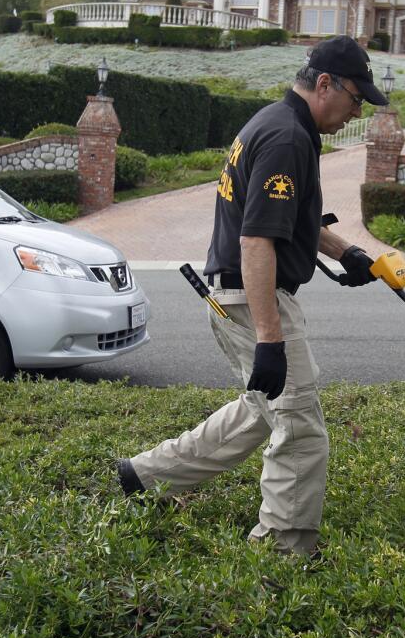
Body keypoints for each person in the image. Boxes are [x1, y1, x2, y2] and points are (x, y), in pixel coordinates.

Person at [117, 35, 389, 557]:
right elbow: (257, 239)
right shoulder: (288, 138)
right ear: (326, 84)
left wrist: (344, 251)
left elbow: (282, 221)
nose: (357, 111)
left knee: (261, 408)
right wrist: (270, 339)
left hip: (236, 293)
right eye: (356, 98)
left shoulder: (279, 123)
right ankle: (283, 548)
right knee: (301, 424)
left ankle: (146, 475)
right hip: (252, 297)